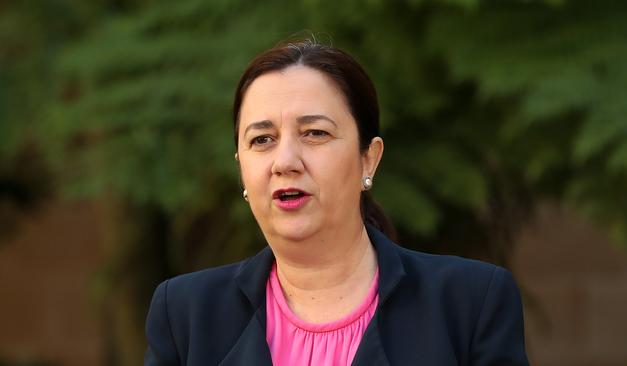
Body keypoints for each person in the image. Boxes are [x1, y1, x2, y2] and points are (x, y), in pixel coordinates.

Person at [144, 39, 529, 366]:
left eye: (314, 133)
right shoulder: (185, 313)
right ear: (241, 168)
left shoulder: (469, 302)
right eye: (262, 139)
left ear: (369, 159)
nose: (285, 162)